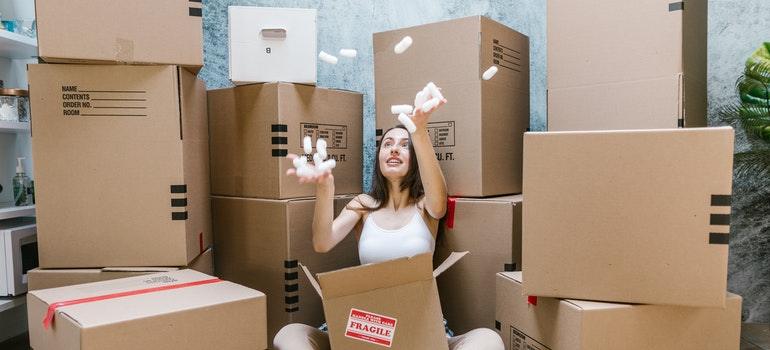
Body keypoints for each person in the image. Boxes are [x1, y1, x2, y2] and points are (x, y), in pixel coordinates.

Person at [274, 97, 504, 350]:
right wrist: (325, 186)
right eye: (388, 144)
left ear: (415, 159)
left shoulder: (425, 206)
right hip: (368, 325)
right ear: (379, 156)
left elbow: (439, 204)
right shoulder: (363, 205)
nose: (394, 149)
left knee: (488, 340)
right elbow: (322, 242)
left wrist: (419, 130)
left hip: (417, 323)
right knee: (290, 334)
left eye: (405, 146)